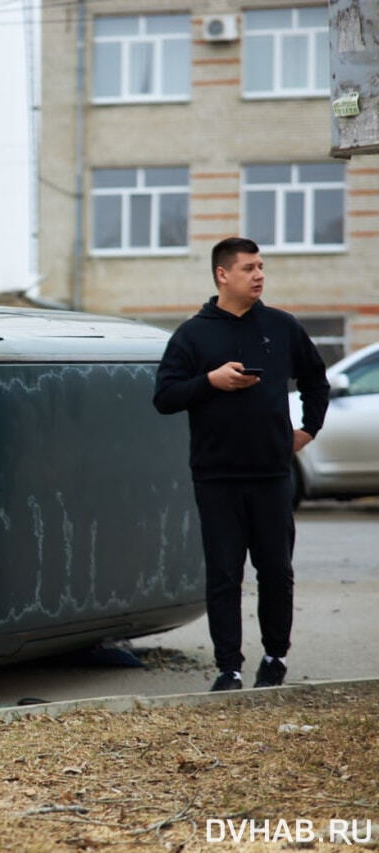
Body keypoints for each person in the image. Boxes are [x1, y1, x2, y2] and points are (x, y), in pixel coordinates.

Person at [153, 237, 329, 692]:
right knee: (224, 576)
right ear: (222, 275)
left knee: (276, 571)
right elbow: (165, 397)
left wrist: (309, 428)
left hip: (272, 474)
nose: (259, 275)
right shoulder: (192, 334)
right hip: (216, 477)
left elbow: (316, 378)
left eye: (261, 266)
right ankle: (228, 668)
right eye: (249, 267)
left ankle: (275, 657)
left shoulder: (282, 327)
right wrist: (210, 381)